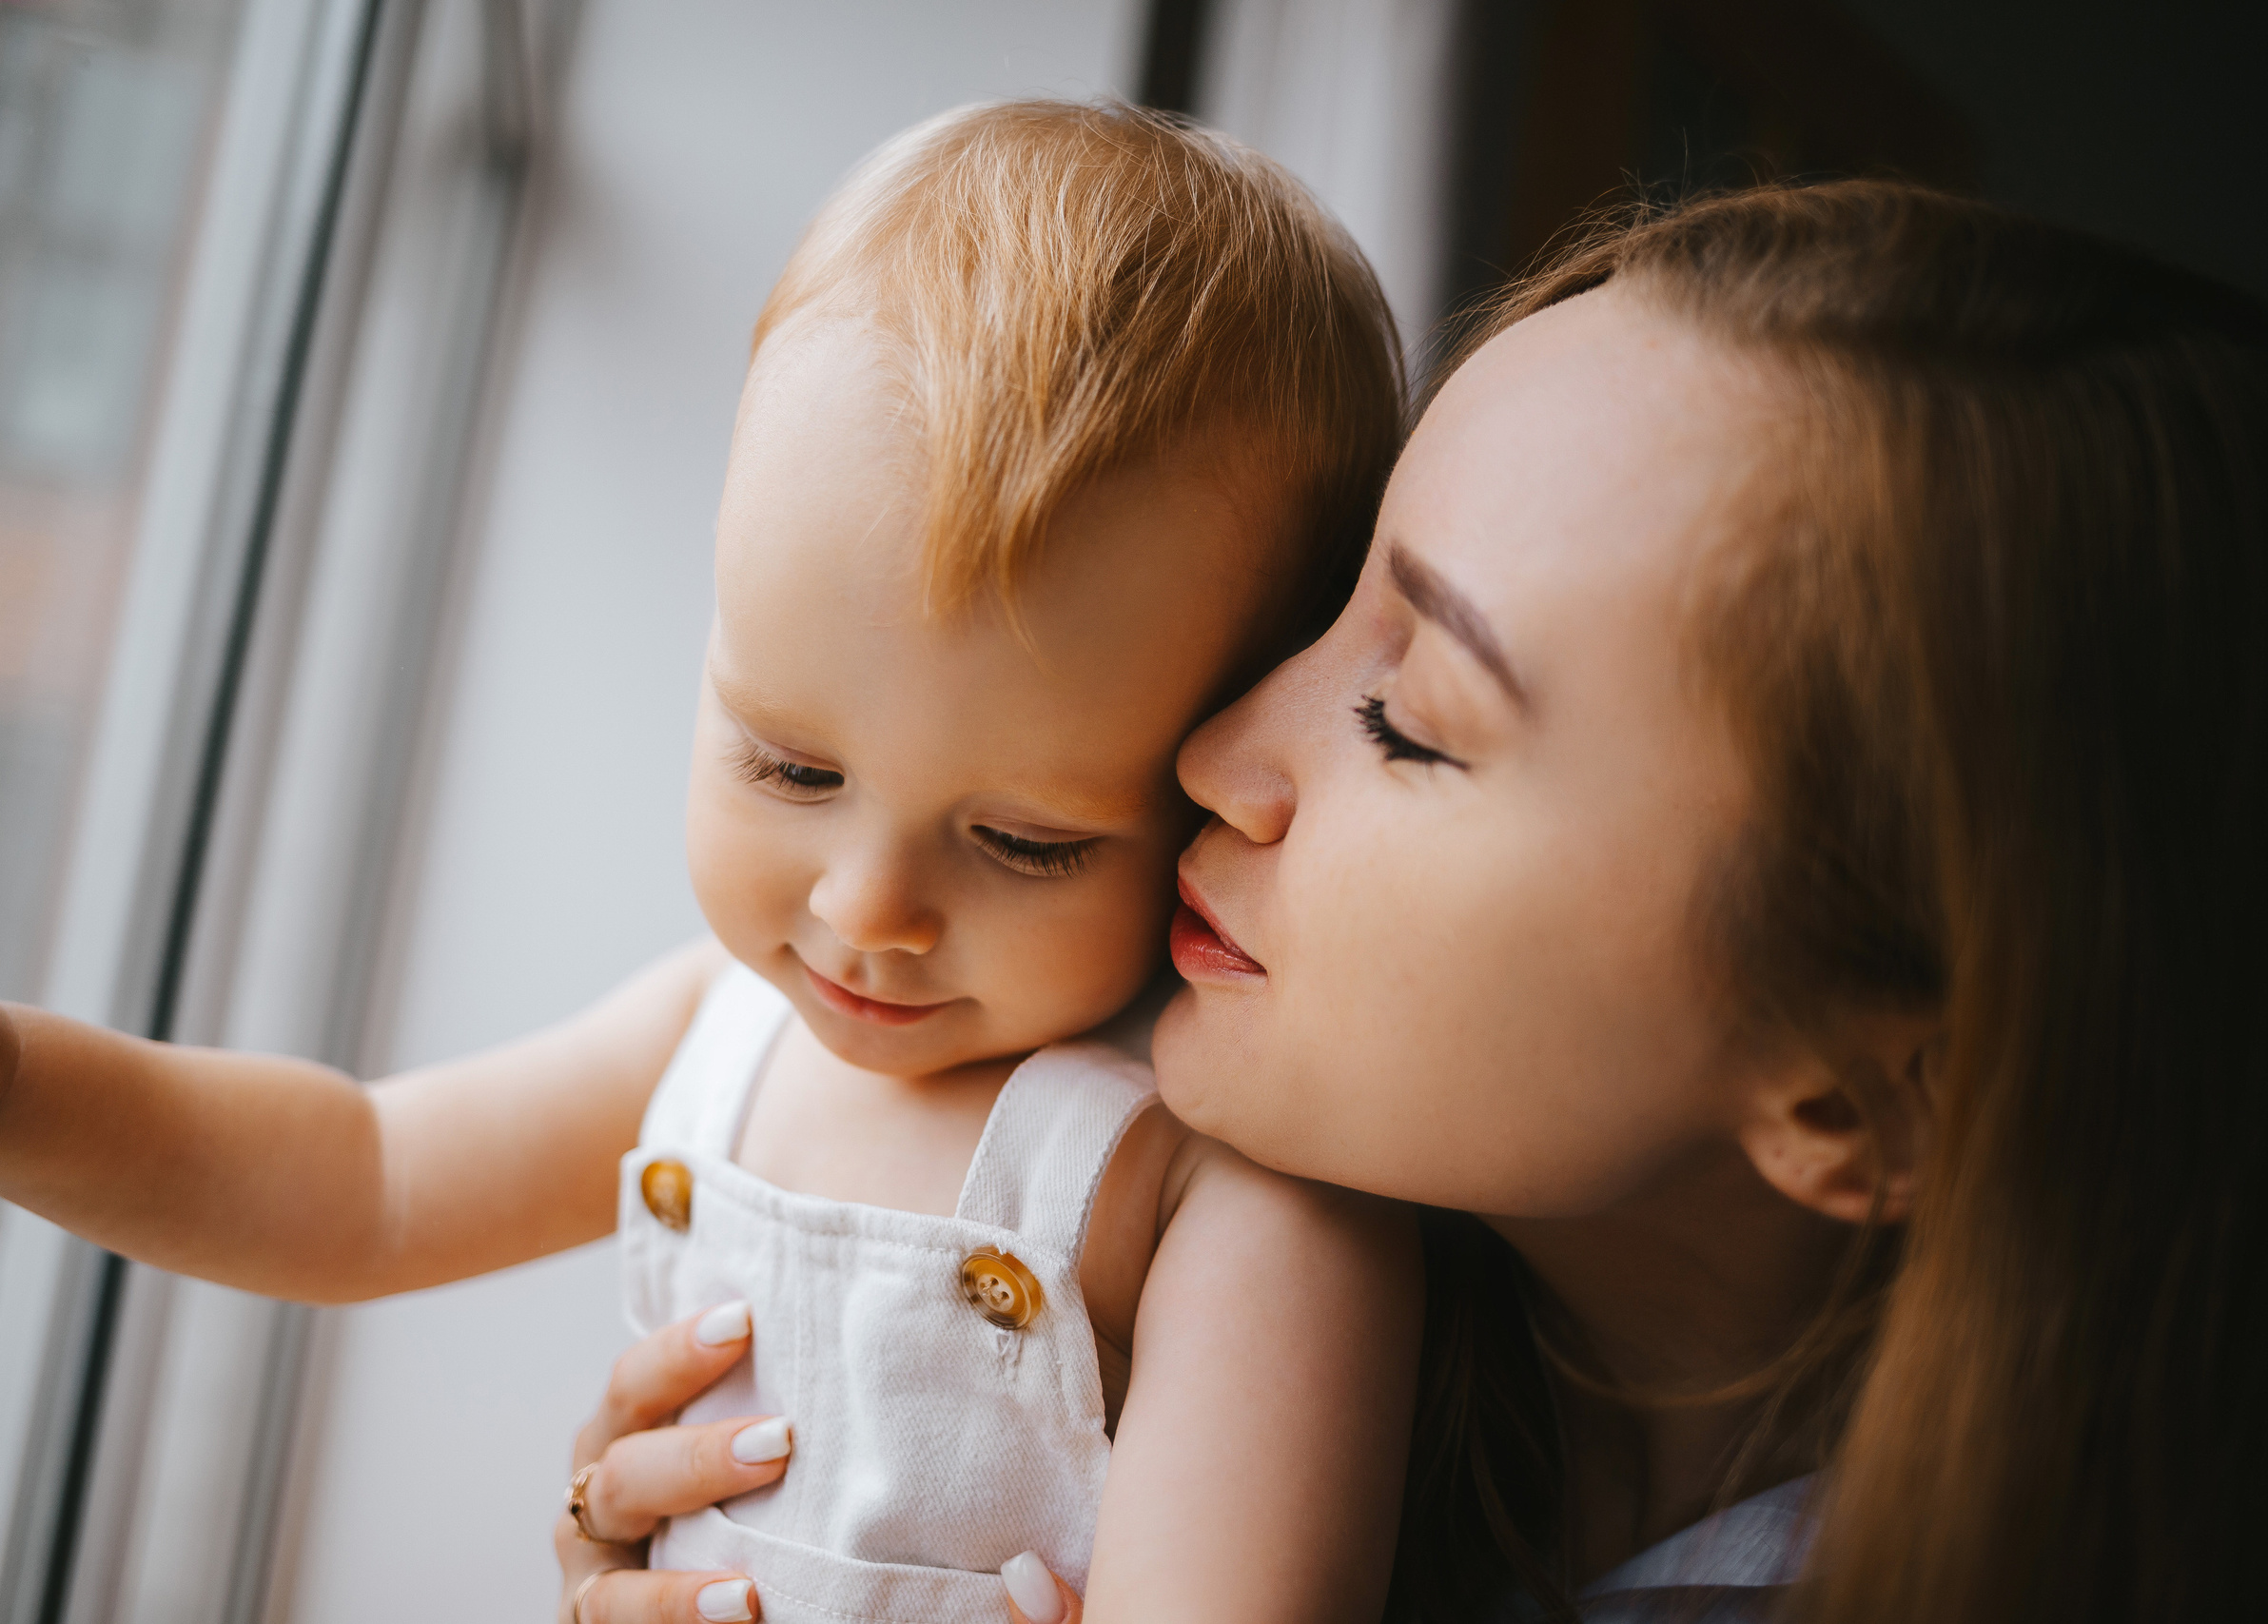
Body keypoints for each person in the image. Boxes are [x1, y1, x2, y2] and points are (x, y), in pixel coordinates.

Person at [561, 179, 2268, 1624]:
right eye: (1321, 608)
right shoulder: (1148, 1303)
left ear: (1858, 1092)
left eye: (1407, 720)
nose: (1211, 752)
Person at [0, 104, 1423, 1623]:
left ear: (1224, 789)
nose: (865, 908)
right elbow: (356, 1182)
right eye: (790, 764)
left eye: (1025, 840)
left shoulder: (1214, 1182)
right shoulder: (711, 1046)